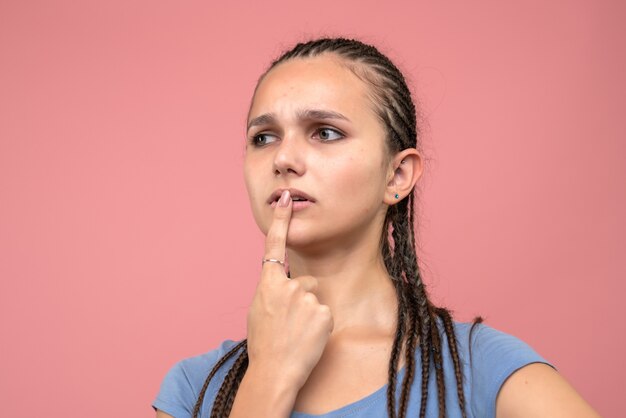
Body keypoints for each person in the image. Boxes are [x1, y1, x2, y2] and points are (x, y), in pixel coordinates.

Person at [152, 37, 600, 418]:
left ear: (397, 175)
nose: (283, 159)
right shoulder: (195, 388)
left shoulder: (482, 370)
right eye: (263, 137)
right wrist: (267, 379)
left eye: (324, 132)